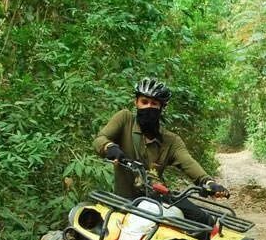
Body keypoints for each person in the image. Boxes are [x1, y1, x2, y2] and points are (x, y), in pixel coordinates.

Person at [93, 77, 229, 226]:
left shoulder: (171, 141)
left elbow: (188, 162)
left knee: (203, 220)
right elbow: (100, 139)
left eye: (154, 103)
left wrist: (208, 182)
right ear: (136, 102)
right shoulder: (125, 120)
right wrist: (109, 146)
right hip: (124, 201)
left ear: (162, 107)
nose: (149, 107)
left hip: (160, 199)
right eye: (144, 102)